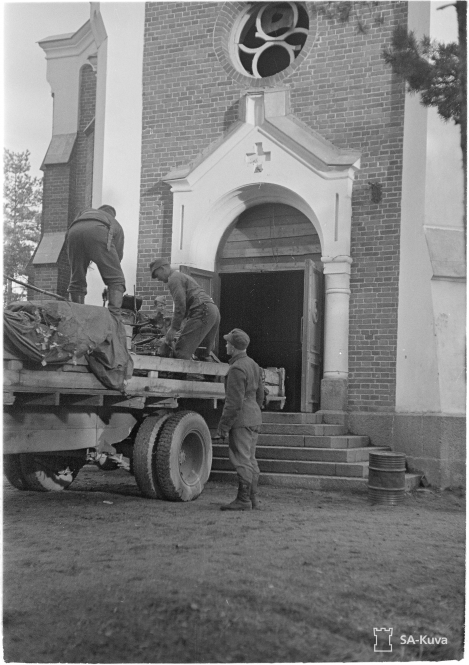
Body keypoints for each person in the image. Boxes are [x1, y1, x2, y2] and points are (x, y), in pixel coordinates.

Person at [216, 328, 265, 511]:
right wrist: (254, 411)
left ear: (235, 347)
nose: (226, 344)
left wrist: (223, 426)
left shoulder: (237, 368)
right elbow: (260, 394)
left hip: (242, 419)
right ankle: (253, 499)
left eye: (228, 342)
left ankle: (243, 500)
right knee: (251, 459)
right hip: (253, 416)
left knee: (242, 460)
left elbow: (234, 402)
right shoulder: (254, 364)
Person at [149, 258, 220, 361]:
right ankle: (211, 377)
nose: (158, 279)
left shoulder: (173, 279)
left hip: (203, 311)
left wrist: (173, 328)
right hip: (213, 311)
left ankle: (176, 377)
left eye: (157, 275)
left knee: (181, 353)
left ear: (163, 269)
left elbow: (180, 305)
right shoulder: (183, 277)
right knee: (202, 353)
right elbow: (185, 308)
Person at [66, 205, 125, 311]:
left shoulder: (84, 212)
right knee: (117, 280)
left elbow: (81, 233)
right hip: (99, 231)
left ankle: (77, 313)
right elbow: (117, 257)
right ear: (113, 215)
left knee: (77, 278)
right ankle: (114, 317)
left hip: (73, 232)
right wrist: (112, 284)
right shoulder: (114, 223)